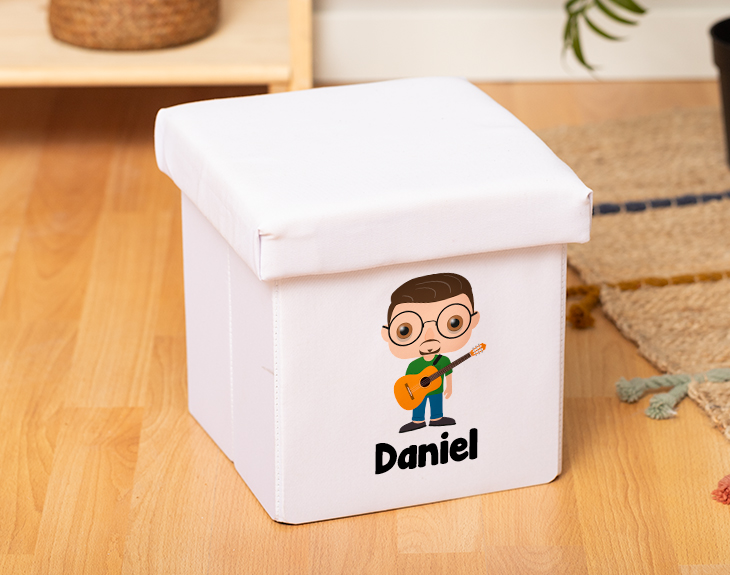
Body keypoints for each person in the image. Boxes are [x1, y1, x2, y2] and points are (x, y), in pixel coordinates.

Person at [382, 273, 480, 433]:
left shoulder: (444, 360)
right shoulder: (415, 364)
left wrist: (449, 388)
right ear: (387, 334)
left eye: (454, 323)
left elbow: (448, 373)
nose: (429, 337)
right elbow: (407, 380)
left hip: (437, 390)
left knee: (436, 405)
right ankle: (417, 420)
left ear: (473, 320)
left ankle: (437, 419)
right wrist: (413, 388)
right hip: (416, 393)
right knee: (418, 405)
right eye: (405, 330)